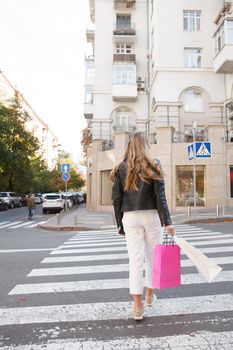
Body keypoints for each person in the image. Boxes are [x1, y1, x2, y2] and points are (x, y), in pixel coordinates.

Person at [110, 132, 175, 321]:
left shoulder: (121, 168)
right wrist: (168, 222)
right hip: (151, 216)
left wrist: (119, 224)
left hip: (129, 217)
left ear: (129, 146)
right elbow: (160, 197)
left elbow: (116, 199)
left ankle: (137, 307)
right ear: (145, 145)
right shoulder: (154, 164)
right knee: (153, 259)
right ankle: (149, 294)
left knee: (135, 261)